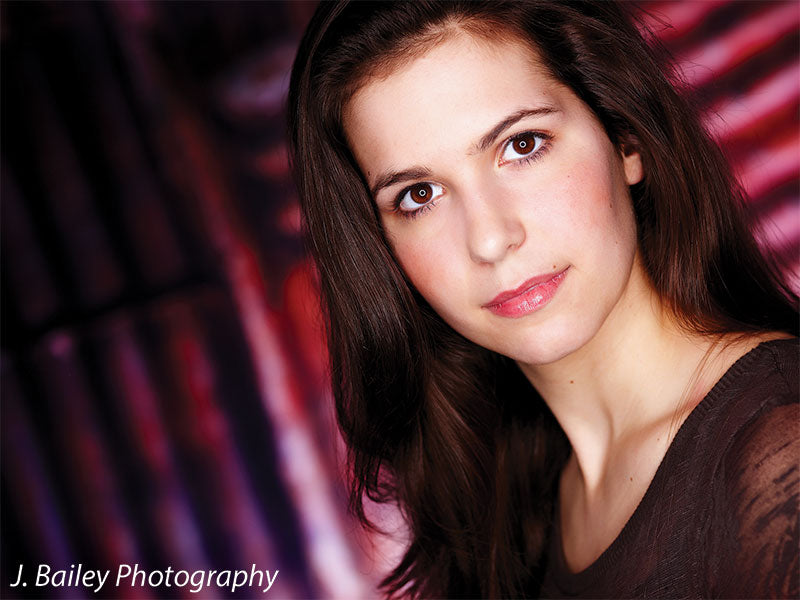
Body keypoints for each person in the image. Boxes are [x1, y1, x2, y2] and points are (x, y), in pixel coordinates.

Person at [287, 1, 799, 598]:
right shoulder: (506, 510)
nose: (489, 239)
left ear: (625, 139)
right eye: (420, 194)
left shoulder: (780, 449)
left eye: (523, 144)